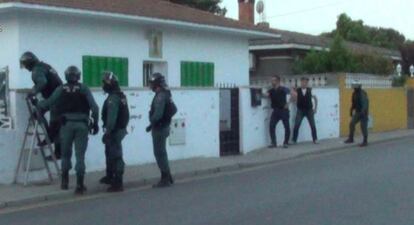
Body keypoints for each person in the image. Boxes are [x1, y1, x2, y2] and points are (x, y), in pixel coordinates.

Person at [37, 66, 99, 195]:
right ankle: (80, 185)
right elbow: (95, 108)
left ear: (66, 76)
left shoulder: (61, 89)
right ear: (78, 76)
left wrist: (36, 103)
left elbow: (48, 103)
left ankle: (64, 183)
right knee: (80, 156)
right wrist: (95, 123)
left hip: (66, 126)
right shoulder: (84, 88)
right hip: (82, 125)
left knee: (65, 155)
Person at [20, 51, 63, 159]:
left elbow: (42, 82)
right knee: (38, 113)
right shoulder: (45, 66)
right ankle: (49, 136)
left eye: (25, 65)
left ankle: (58, 152)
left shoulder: (36, 70)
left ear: (29, 63)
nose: (25, 67)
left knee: (55, 124)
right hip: (55, 96)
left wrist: (33, 92)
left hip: (56, 98)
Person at [100, 71, 129, 192]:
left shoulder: (113, 98)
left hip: (114, 130)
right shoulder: (120, 95)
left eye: (105, 83)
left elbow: (111, 118)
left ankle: (118, 182)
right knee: (109, 153)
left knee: (116, 155)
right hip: (118, 129)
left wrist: (108, 132)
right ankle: (110, 176)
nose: (103, 86)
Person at [146, 73, 176, 188]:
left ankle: (165, 178)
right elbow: (174, 109)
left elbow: (157, 114)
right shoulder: (166, 94)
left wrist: (152, 121)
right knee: (162, 152)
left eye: (152, 84)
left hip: (159, 128)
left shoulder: (160, 96)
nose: (151, 86)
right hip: (164, 126)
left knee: (159, 153)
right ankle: (168, 175)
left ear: (156, 84)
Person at [265, 76, 291, 148]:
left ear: (277, 81)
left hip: (284, 110)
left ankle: (285, 142)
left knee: (286, 127)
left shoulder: (283, 89)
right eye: (271, 80)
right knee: (271, 126)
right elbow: (266, 95)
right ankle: (274, 143)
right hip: (275, 110)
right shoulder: (271, 90)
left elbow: (292, 94)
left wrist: (288, 103)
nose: (272, 82)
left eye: (273, 80)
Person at [292, 77, 318, 144]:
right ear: (301, 82)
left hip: (309, 110)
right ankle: (294, 140)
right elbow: (294, 98)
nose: (304, 83)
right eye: (303, 82)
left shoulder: (310, 90)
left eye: (305, 82)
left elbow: (315, 99)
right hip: (300, 110)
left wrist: (315, 108)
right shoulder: (297, 90)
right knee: (297, 125)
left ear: (307, 83)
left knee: (312, 125)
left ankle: (315, 139)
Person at [344, 80, 369, 147]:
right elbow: (353, 103)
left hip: (363, 113)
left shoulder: (362, 93)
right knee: (352, 123)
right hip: (358, 112)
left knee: (363, 127)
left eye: (355, 86)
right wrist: (351, 110)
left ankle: (365, 141)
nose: (354, 87)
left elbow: (365, 104)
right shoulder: (354, 94)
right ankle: (351, 138)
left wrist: (363, 112)